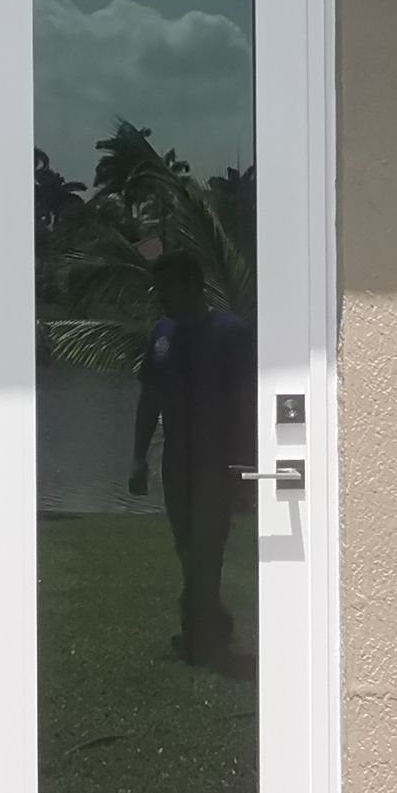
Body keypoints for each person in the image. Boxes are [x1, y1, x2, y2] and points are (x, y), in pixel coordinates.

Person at [127, 252, 257, 664]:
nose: (160, 296)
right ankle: (207, 614)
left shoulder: (231, 334)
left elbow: (248, 402)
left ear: (191, 286)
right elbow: (151, 397)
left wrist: (246, 464)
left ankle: (202, 628)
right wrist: (138, 456)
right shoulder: (163, 334)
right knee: (186, 543)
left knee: (209, 543)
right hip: (176, 458)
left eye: (166, 288)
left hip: (218, 459)